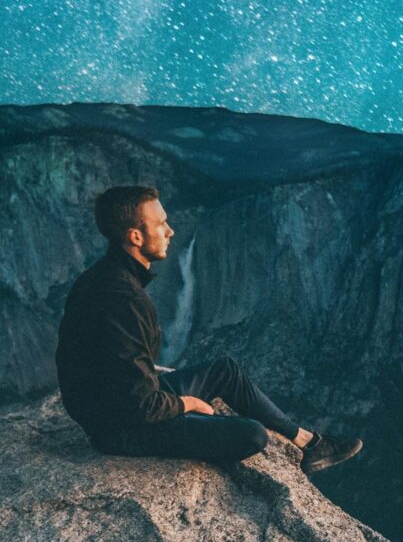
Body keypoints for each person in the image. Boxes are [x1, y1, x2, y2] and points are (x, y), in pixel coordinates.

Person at [54, 184, 364, 472]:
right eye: (161, 224)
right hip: (122, 428)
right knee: (252, 435)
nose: (170, 231)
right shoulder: (124, 298)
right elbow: (142, 404)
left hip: (119, 404)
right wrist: (184, 405)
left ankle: (310, 443)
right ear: (135, 236)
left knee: (224, 370)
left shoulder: (104, 277)